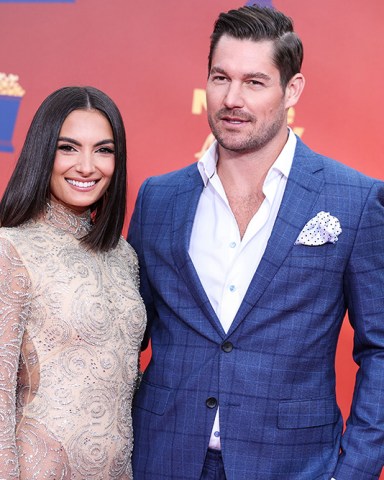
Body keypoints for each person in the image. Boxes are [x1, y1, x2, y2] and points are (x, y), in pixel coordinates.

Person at [128, 4, 384, 480]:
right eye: (220, 78)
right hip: (163, 459)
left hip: (296, 465)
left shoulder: (355, 199)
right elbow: (123, 338)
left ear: (293, 90)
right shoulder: (158, 198)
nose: (232, 99)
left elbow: (381, 348)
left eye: (254, 82)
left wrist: (356, 469)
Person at [0, 86, 146, 479]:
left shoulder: (124, 256)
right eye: (68, 148)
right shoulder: (10, 249)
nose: (87, 166)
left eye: (103, 150)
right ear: (43, 152)